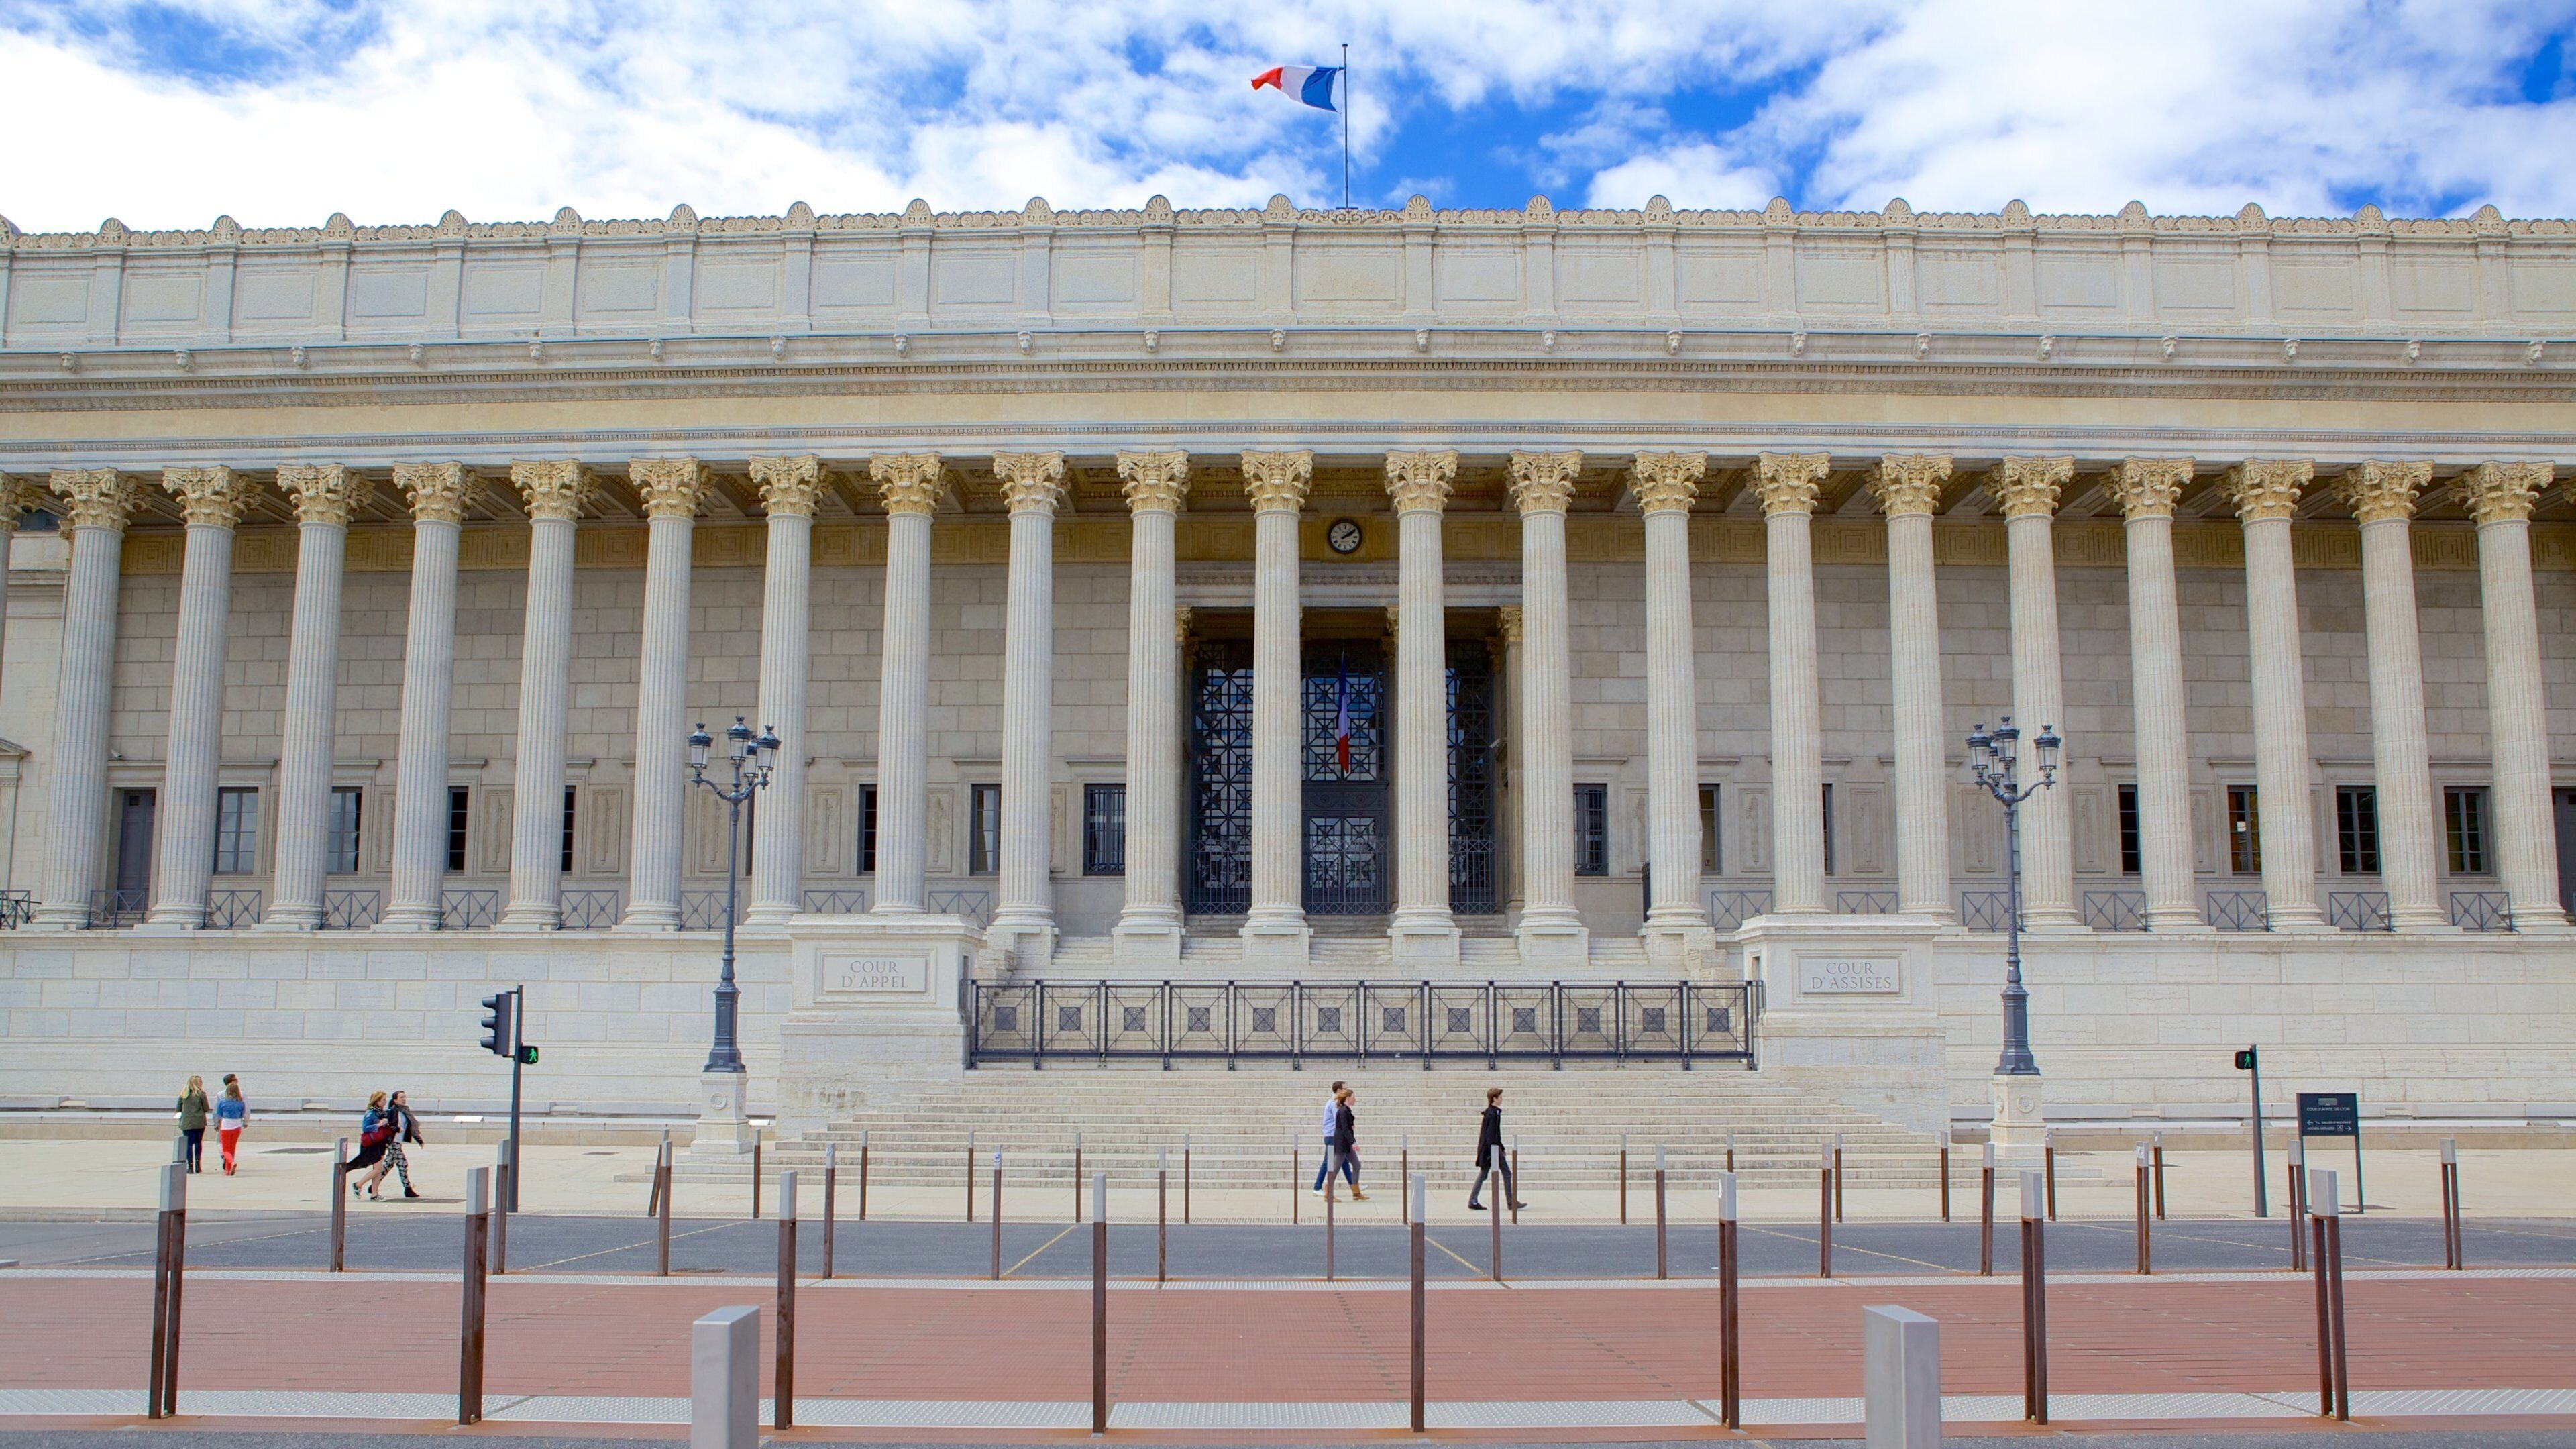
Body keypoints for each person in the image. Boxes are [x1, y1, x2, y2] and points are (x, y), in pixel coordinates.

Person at [360, 1090, 424, 1200]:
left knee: (387, 1166)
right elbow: (387, 1126)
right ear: (395, 1100)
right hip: (391, 1142)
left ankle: (373, 1188)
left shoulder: (405, 1111)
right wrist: (396, 1129)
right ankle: (408, 1188)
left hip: (398, 1141)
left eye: (405, 1097)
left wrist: (418, 1139)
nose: (404, 1099)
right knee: (403, 1163)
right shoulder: (392, 1111)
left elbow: (411, 1127)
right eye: (401, 1097)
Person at [1466, 1086, 1521, 1212]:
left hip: (1492, 1149)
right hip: (1491, 1150)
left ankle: (1473, 1200)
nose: (1502, 1099)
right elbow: (1490, 1135)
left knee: (1484, 1174)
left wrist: (1501, 1147)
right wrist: (1496, 1150)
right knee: (1506, 1173)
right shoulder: (1492, 1114)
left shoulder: (1494, 1112)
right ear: (1494, 1099)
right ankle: (1510, 1202)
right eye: (1500, 1097)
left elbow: (1496, 1133)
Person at [339, 1092, 394, 1199]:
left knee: (378, 1169)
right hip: (373, 1143)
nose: (385, 1101)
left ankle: (375, 1193)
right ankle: (358, 1185)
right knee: (378, 1169)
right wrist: (379, 1124)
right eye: (383, 1099)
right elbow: (365, 1128)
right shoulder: (371, 1113)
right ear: (377, 1101)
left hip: (380, 1142)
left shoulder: (381, 1112)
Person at [1310, 1079, 1358, 1195]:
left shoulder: (1336, 1102)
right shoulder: (1334, 1103)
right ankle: (1317, 1187)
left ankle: (1354, 1186)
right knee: (1328, 1162)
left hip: (1333, 1135)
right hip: (1332, 1136)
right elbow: (1340, 1121)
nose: (1346, 1090)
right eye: (1344, 1089)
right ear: (1339, 1091)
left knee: (1344, 1161)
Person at [1325, 1085, 1366, 1203]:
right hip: (1343, 1144)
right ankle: (1328, 1193)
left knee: (1357, 1165)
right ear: (1348, 1098)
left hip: (1347, 1143)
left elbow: (1347, 1127)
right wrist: (1353, 1142)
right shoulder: (1343, 1110)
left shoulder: (1346, 1110)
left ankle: (1356, 1192)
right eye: (1354, 1097)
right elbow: (1344, 1129)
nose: (1355, 1099)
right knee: (1335, 1168)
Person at [174, 1075, 211, 1174]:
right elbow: (206, 1108)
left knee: (189, 1144)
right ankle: (198, 1165)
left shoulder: (183, 1095)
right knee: (198, 1142)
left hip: (187, 1122)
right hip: (199, 1122)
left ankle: (189, 1166)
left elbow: (178, 1109)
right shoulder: (201, 1095)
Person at [214, 1075, 247, 1176]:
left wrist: (216, 1124)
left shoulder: (223, 1102)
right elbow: (243, 1114)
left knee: (226, 1149)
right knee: (232, 1148)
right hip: (237, 1125)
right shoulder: (241, 1102)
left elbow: (218, 1114)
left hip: (226, 1125)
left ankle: (231, 1163)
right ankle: (228, 1169)